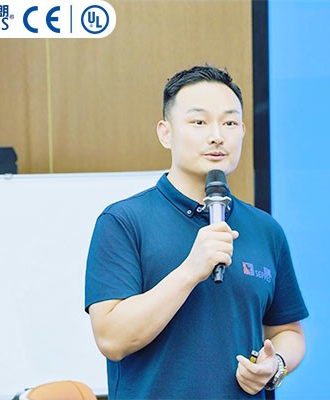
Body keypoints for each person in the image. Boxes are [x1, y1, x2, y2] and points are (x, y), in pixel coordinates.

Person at [85, 65, 308, 399]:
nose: (217, 136)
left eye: (230, 123)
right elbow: (112, 339)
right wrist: (191, 270)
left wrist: (275, 365)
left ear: (243, 131)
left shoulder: (265, 229)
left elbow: (288, 331)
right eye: (199, 122)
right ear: (166, 133)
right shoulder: (123, 222)